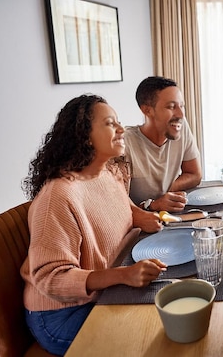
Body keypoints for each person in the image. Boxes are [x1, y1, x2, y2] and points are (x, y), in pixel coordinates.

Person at [20, 95, 167, 355]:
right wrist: (124, 275)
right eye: (111, 124)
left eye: (119, 122)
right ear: (85, 136)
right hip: (60, 313)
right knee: (150, 336)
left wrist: (137, 214)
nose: (122, 129)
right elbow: (50, 278)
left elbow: (115, 210)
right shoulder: (59, 196)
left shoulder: (109, 172)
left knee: (170, 313)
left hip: (106, 290)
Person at [124, 76, 202, 215]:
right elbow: (116, 206)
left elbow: (194, 174)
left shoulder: (180, 127)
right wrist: (154, 205)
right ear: (147, 110)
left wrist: (166, 192)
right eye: (171, 107)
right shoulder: (125, 143)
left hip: (168, 218)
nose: (181, 114)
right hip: (140, 226)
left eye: (181, 106)